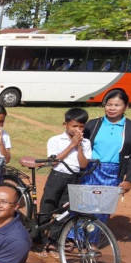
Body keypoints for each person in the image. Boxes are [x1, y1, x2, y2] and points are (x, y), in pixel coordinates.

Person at [81, 89, 131, 224]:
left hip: (113, 173)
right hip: (91, 170)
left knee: (103, 208)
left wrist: (129, 180)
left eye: (117, 105)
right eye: (109, 104)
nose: (112, 108)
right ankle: (74, 238)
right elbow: (81, 146)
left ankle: (92, 241)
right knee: (84, 204)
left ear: (126, 106)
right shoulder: (93, 124)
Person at [39, 107, 91, 253]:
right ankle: (38, 239)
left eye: (81, 126)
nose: (78, 129)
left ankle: (53, 241)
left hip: (74, 177)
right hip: (57, 177)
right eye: (74, 126)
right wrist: (72, 145)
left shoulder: (86, 143)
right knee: (47, 206)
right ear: (65, 125)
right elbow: (54, 162)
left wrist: (79, 146)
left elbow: (83, 164)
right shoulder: (55, 140)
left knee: (64, 210)